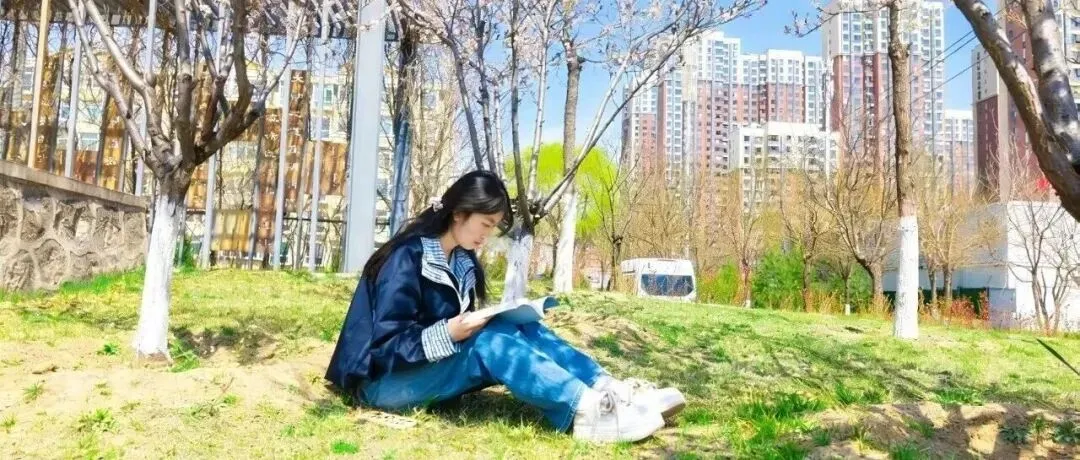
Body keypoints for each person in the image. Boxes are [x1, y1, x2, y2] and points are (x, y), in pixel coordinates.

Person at [325, 170, 686, 443]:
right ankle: (588, 412)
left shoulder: (461, 260)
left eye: (494, 226)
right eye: (486, 224)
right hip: (382, 384)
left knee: (518, 325)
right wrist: (449, 332)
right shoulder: (406, 258)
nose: (487, 234)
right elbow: (385, 348)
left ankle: (609, 389)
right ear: (459, 213)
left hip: (423, 371)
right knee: (489, 342)